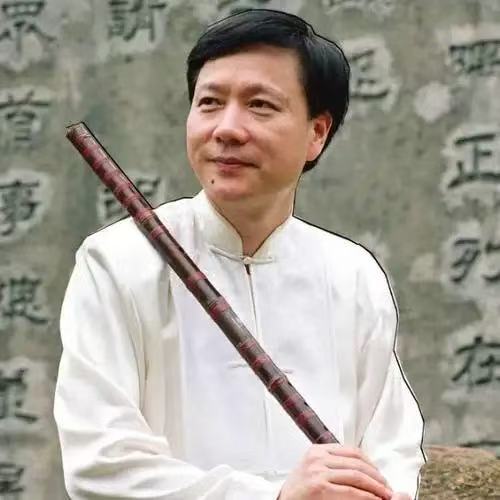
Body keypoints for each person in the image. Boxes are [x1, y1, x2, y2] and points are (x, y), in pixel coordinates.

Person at [54, 8, 425, 500]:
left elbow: (392, 447)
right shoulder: (118, 262)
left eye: (260, 105)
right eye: (209, 103)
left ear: (316, 133)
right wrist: (274, 497)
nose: (227, 128)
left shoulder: (351, 273)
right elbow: (101, 463)